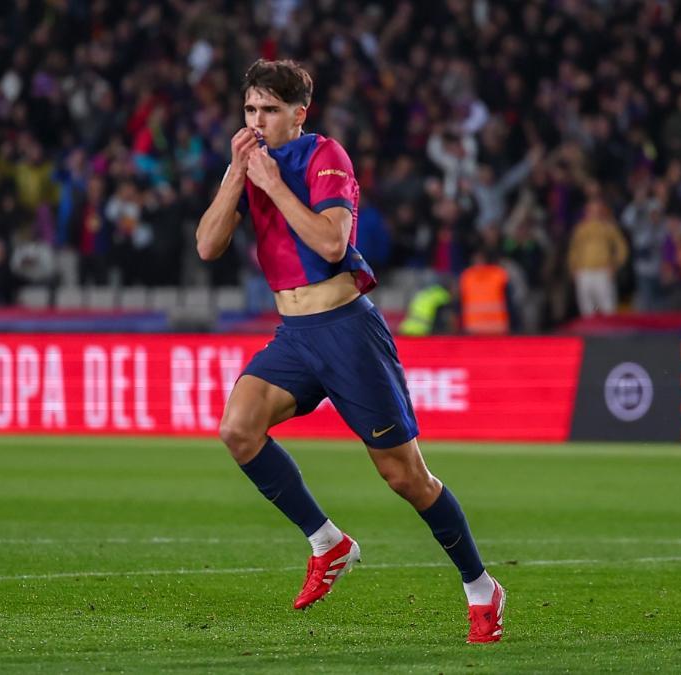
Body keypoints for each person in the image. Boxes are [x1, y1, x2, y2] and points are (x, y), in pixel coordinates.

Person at [195, 60, 504, 643]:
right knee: (238, 429)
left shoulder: (324, 157)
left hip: (346, 330)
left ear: (298, 114)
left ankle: (481, 586)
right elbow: (208, 245)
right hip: (294, 336)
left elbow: (333, 241)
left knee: (406, 477)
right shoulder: (249, 165)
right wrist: (236, 176)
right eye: (249, 111)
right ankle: (326, 541)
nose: (257, 122)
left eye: (269, 111)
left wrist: (270, 183)